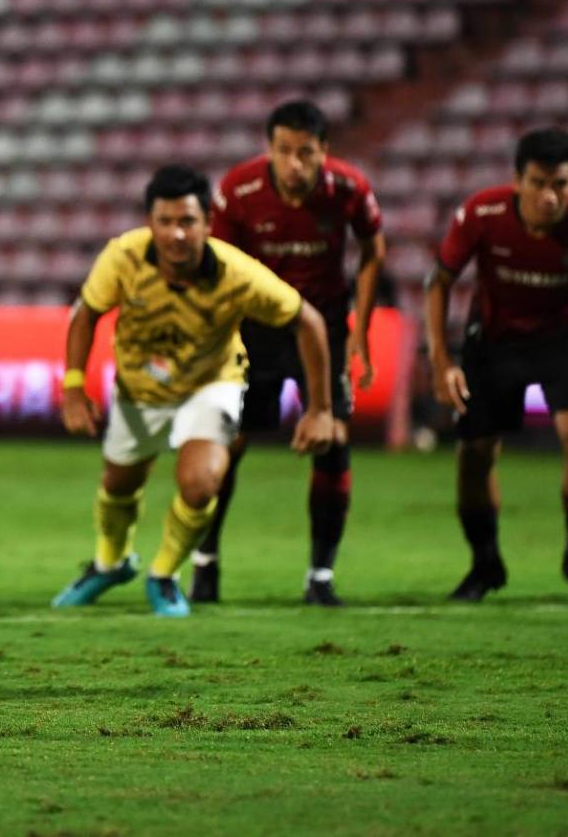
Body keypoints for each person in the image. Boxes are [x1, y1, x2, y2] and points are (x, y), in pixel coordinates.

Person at [52, 164, 335, 617]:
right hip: (138, 388)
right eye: (165, 222)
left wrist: (320, 407)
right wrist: (72, 387)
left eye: (187, 222)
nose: (176, 234)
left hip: (211, 385)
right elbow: (85, 314)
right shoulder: (122, 258)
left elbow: (309, 321)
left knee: (201, 483)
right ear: (151, 223)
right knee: (118, 483)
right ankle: (110, 564)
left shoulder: (236, 273)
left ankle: (163, 576)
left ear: (207, 223)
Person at [426, 127, 568, 605]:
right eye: (538, 183)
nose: (549, 196)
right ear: (517, 181)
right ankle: (485, 565)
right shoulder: (481, 214)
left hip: (563, 342)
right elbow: (439, 281)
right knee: (475, 454)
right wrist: (443, 362)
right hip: (494, 342)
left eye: (561, 185)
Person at [194, 100, 386, 606]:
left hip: (320, 330)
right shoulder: (238, 190)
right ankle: (204, 562)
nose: (295, 163)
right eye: (284, 151)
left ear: (325, 151)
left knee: (333, 439)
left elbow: (373, 250)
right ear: (269, 149)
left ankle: (320, 576)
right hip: (253, 327)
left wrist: (360, 330)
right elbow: (218, 269)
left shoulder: (349, 190)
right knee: (227, 444)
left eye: (306, 152)